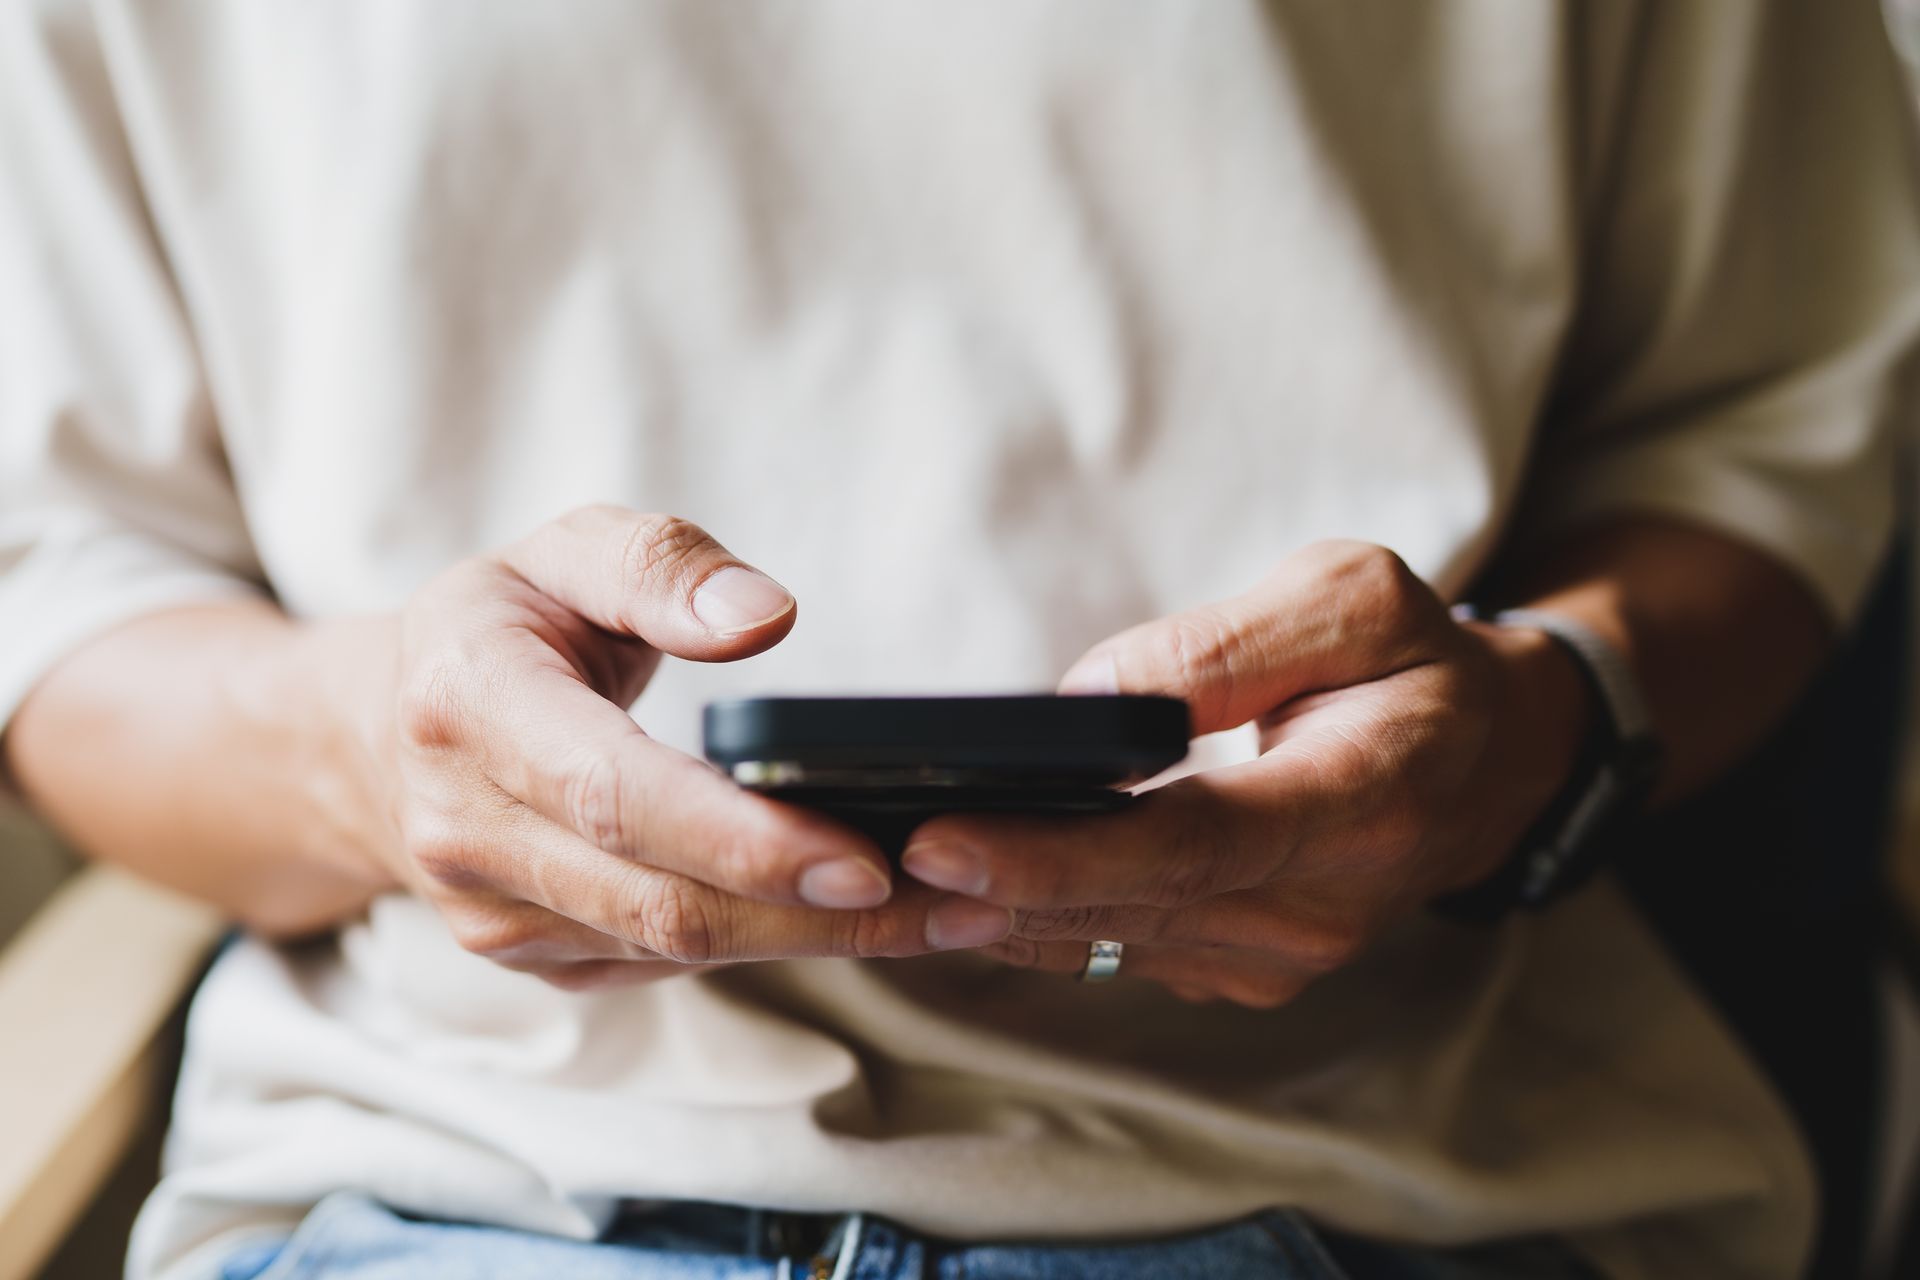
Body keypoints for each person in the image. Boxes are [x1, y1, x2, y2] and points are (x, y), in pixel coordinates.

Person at [3, 2, 1917, 1278]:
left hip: (1389, 1183)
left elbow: (1767, 447)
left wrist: (1529, 734)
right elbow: (64, 595)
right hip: (465, 1186)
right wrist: (380, 757)